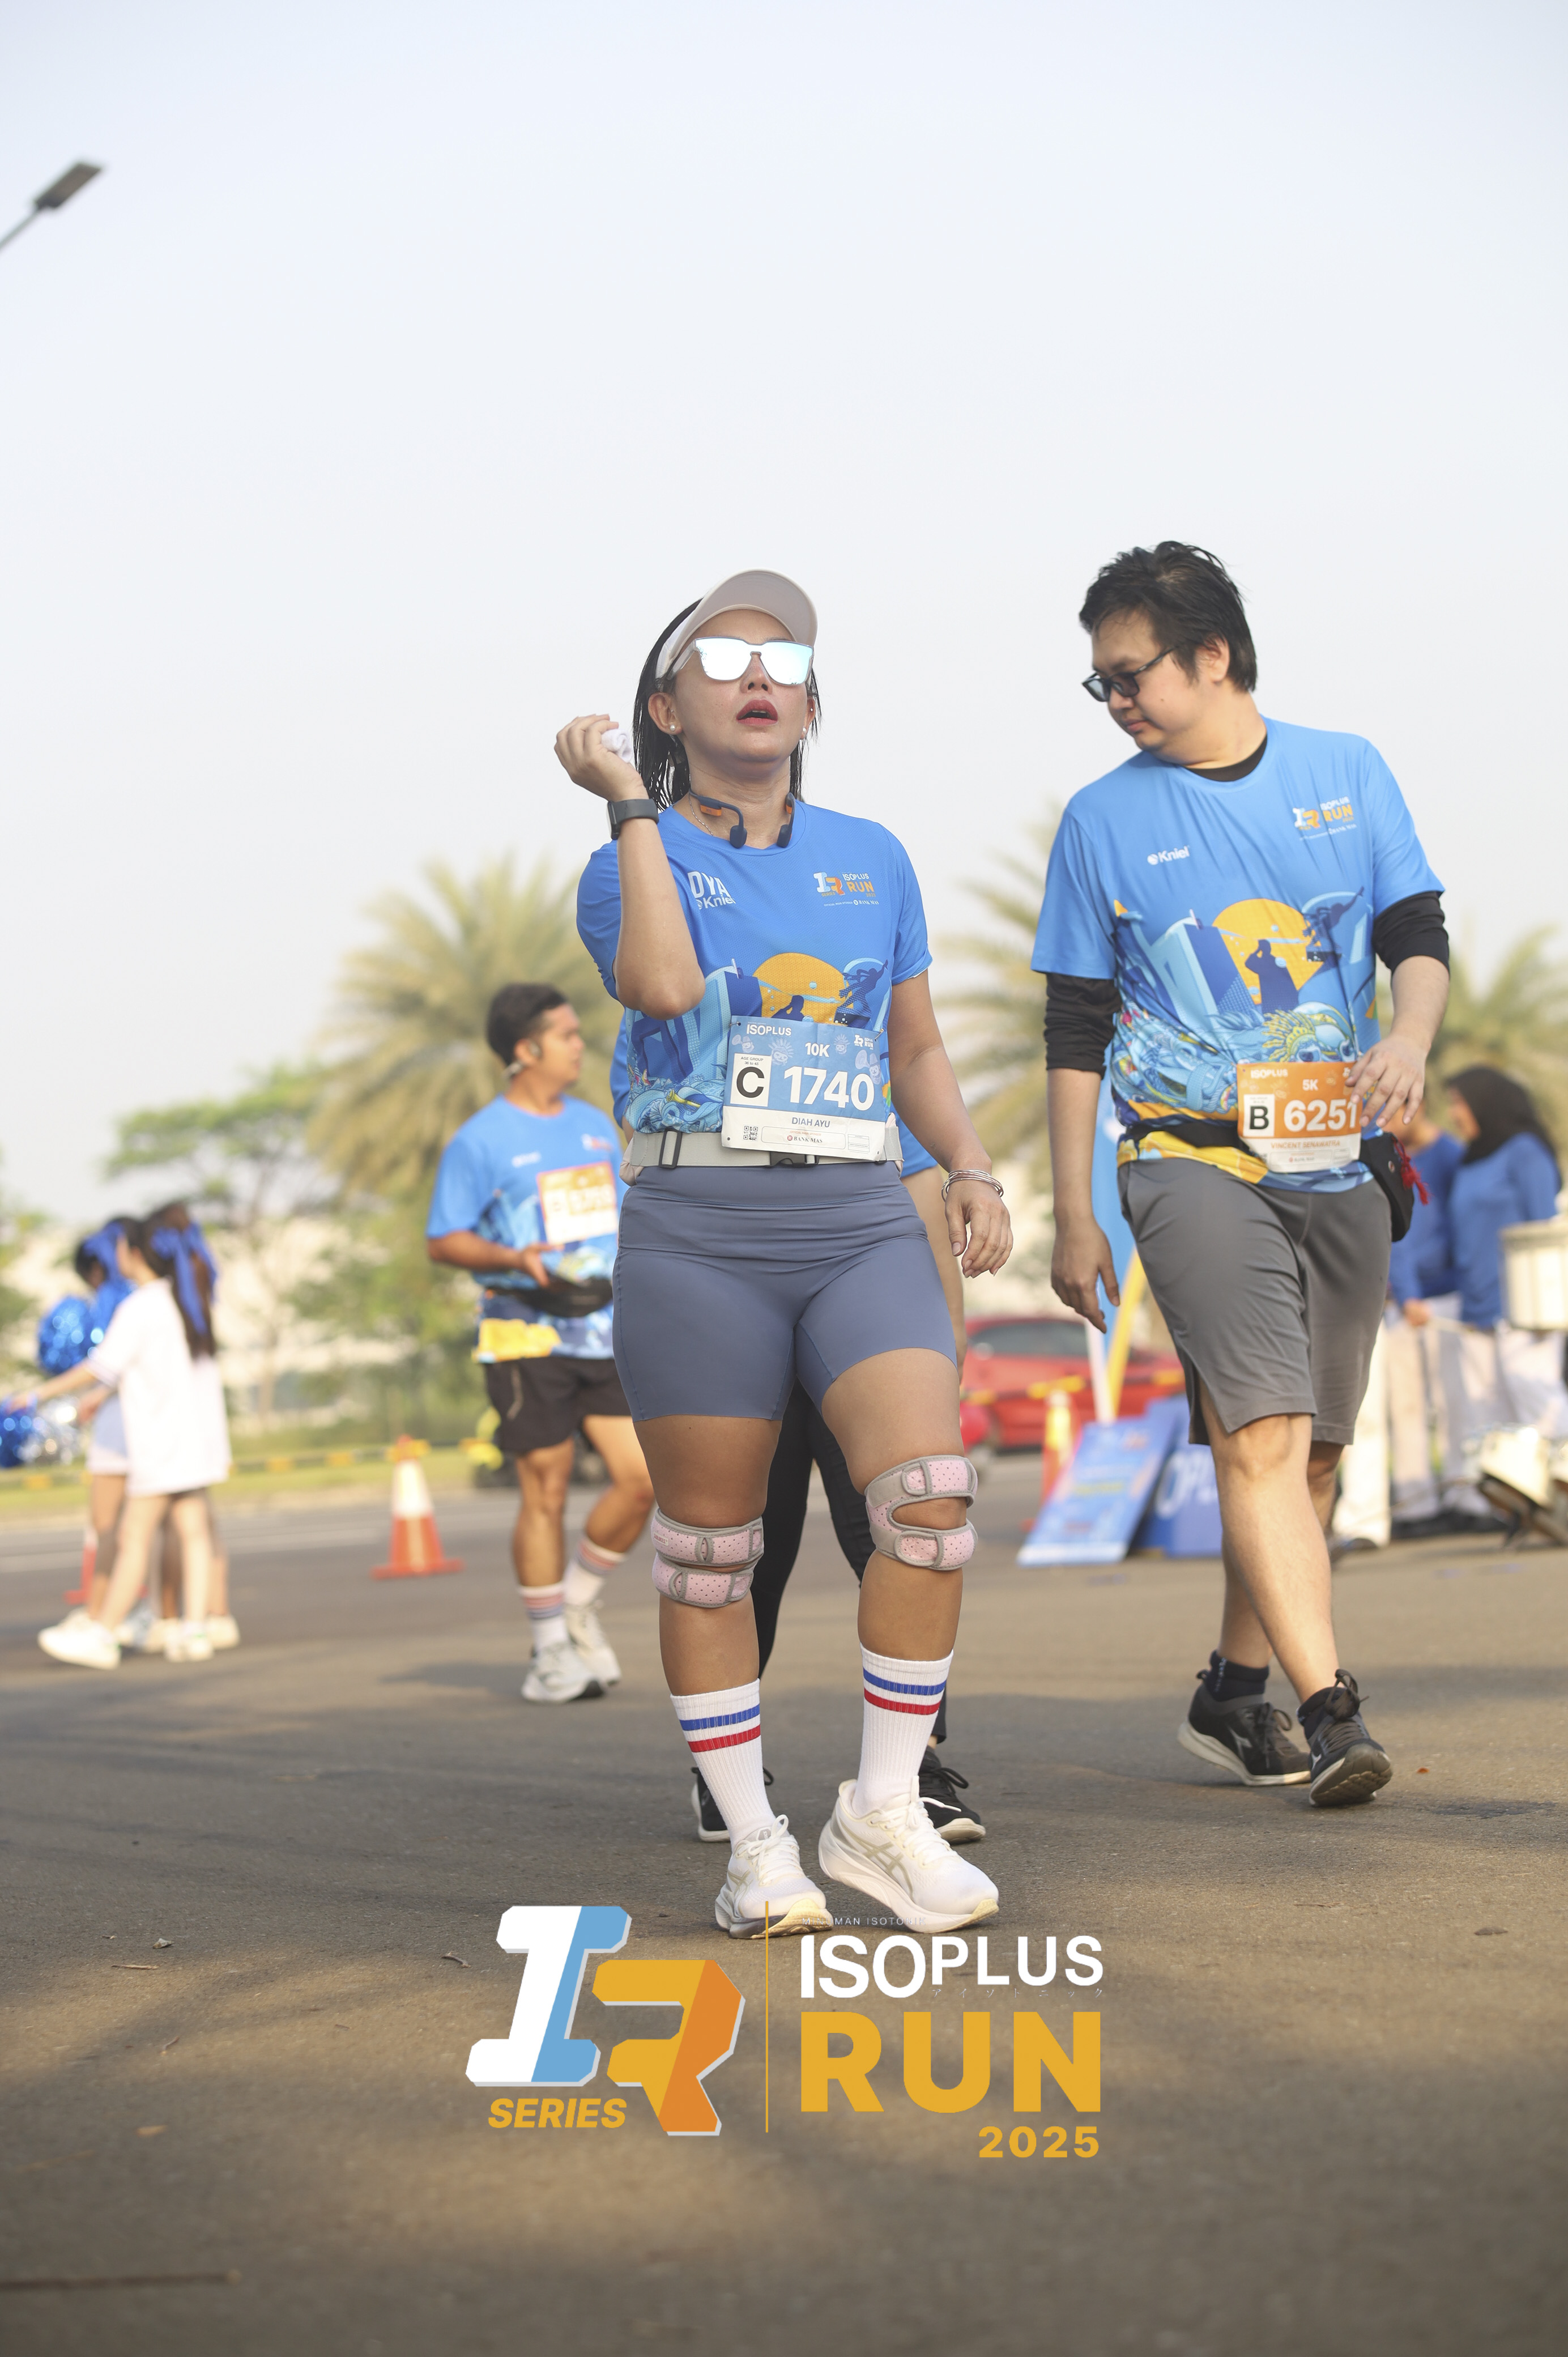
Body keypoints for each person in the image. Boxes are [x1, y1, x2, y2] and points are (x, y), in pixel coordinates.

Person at [564, 567, 1011, 1941]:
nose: (759, 676)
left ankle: (881, 1809)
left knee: (927, 1502)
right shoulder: (626, 858)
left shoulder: (873, 856)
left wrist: (970, 1164)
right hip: (699, 1229)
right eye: (723, 658)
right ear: (666, 706)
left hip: (859, 1215)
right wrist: (628, 805)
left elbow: (913, 1045)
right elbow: (661, 986)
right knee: (711, 1552)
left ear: (811, 704)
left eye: (787, 661)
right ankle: (753, 1842)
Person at [1036, 541, 1449, 1807]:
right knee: (1260, 1431)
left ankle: (1232, 1689)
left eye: (1129, 673)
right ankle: (1331, 1712)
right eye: (1099, 682)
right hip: (1186, 1157)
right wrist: (1075, 1213)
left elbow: (1413, 932)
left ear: (1211, 654)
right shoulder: (1100, 820)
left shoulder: (1345, 769)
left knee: (1310, 1454)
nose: (1113, 699)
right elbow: (1073, 1026)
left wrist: (1407, 1038)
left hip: (1337, 1158)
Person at [426, 983, 655, 1704]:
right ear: (525, 1049)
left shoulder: (592, 1125)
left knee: (643, 1480)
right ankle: (549, 1648)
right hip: (524, 1330)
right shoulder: (480, 1139)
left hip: (603, 1328)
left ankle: (576, 1604)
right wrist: (512, 1258)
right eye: (565, 1034)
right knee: (546, 1486)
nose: (580, 1044)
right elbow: (444, 1238)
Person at [19, 1215, 231, 1667]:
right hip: (190, 1441)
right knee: (193, 1533)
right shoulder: (185, 1297)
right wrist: (98, 1397)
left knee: (133, 1536)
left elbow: (101, 1365)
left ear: (135, 1253)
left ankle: (103, 1633)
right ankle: (194, 1630)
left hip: (158, 1443)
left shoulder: (141, 1306)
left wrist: (38, 1394)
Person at [1443, 1067, 1568, 1460]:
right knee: (1490, 1417)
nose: (1454, 1114)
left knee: (1536, 1400)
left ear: (1486, 1101)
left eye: (1459, 1103)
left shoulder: (1524, 1152)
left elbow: (1543, 1227)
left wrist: (1545, 1310)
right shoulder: (1470, 1160)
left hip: (1524, 1307)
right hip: (1476, 1306)